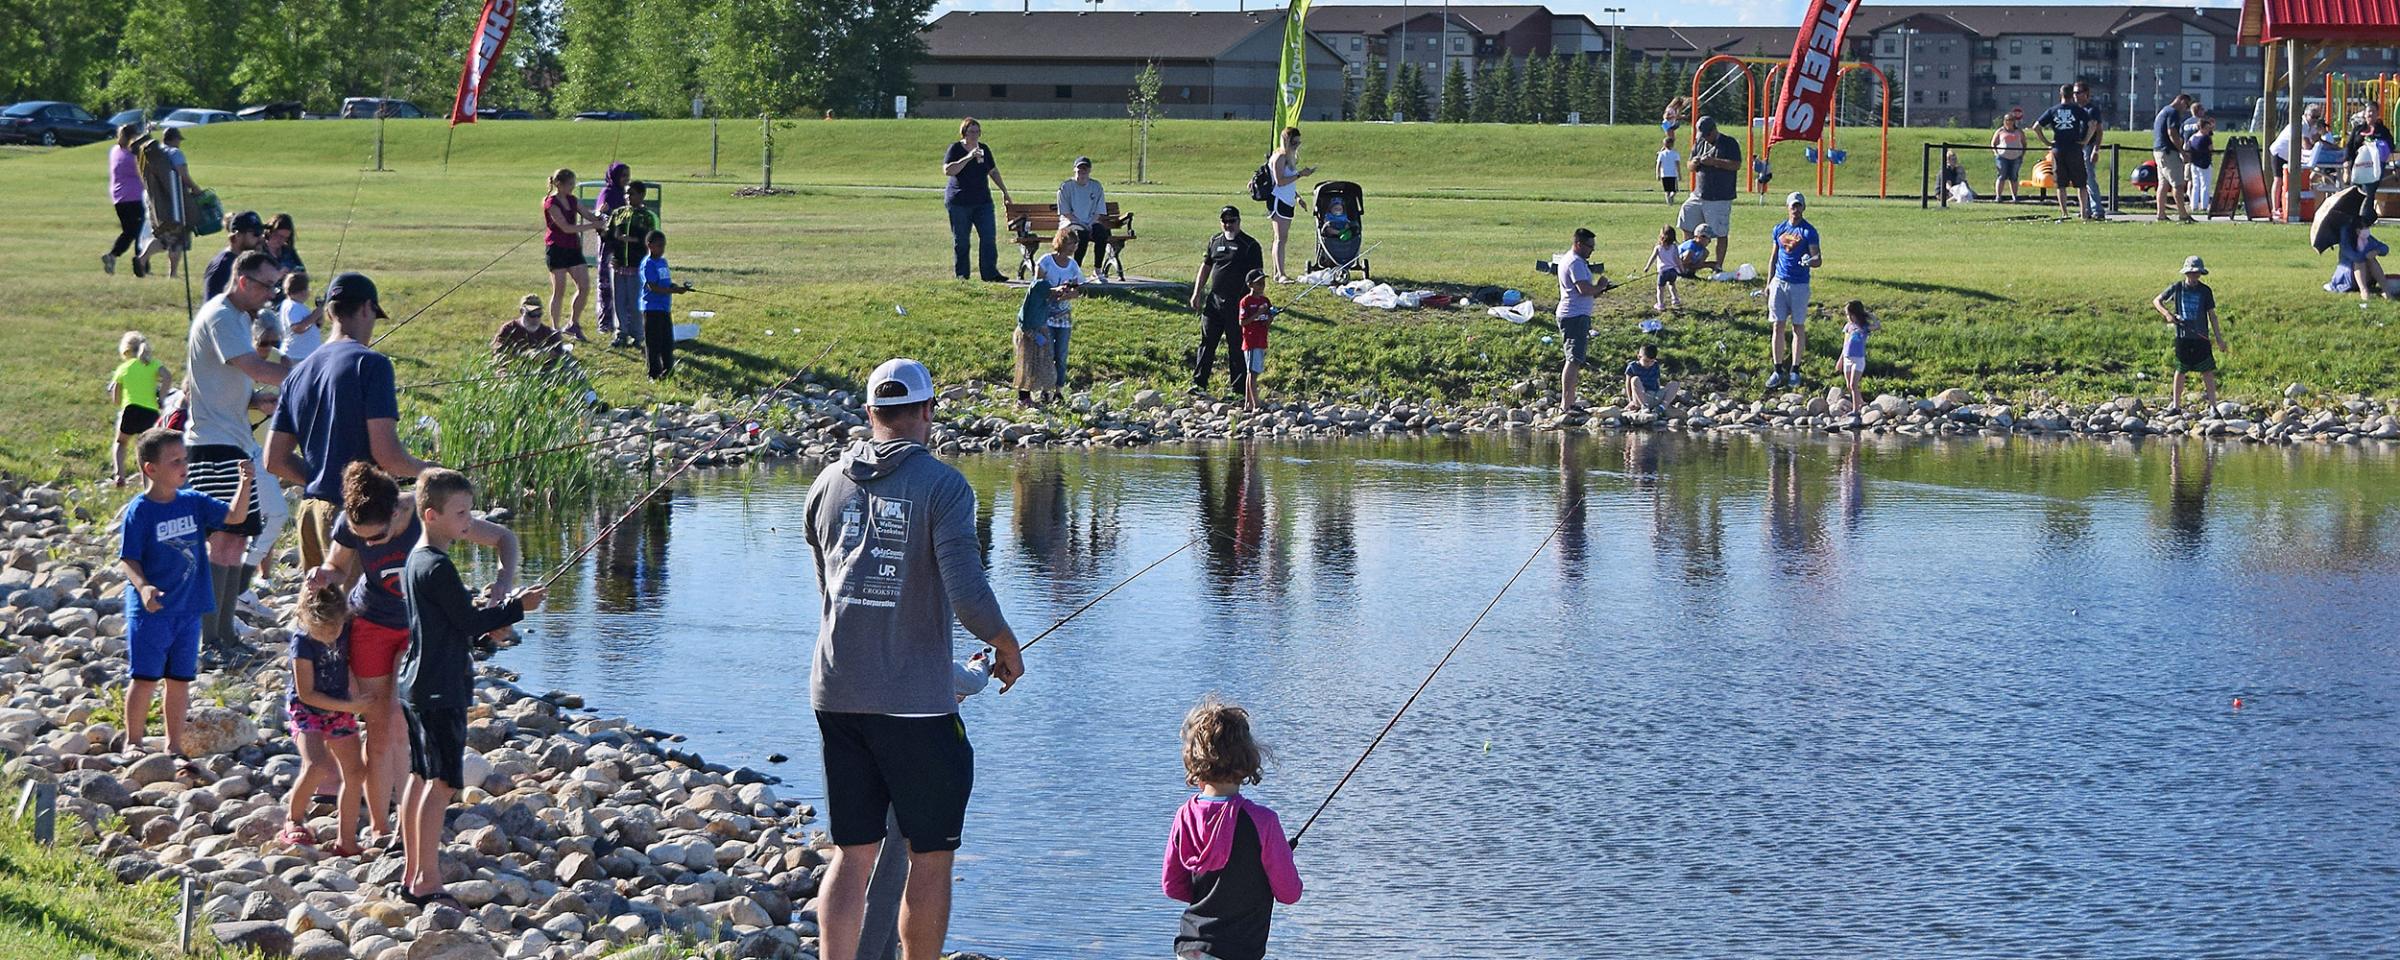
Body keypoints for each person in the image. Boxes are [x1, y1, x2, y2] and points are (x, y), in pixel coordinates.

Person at [804, 358, 1025, 960]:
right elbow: (969, 598)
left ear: (871, 413)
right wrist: (1006, 647)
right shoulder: (945, 486)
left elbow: (827, 587)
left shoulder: (825, 484)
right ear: (927, 412)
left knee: (852, 852)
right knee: (930, 857)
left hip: (836, 692)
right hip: (914, 710)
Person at [308, 461, 516, 850]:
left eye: (379, 537)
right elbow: (337, 566)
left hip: (418, 628)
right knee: (380, 728)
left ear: (399, 512)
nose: (370, 544)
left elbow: (505, 539)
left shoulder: (427, 517)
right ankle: (378, 825)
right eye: (362, 538)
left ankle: (408, 819)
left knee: (405, 729)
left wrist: (501, 590)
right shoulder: (350, 522)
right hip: (370, 623)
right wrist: (324, 575)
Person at [396, 469, 543, 904]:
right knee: (441, 784)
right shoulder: (438, 567)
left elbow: (454, 625)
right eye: (460, 513)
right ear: (430, 514)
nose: (468, 520)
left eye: (469, 511)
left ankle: (411, 872)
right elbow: (467, 620)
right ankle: (425, 880)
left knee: (420, 777)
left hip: (417, 683)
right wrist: (517, 608)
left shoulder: (416, 558)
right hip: (441, 687)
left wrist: (486, 631)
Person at [267, 271, 432, 578]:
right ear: (368, 308)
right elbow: (387, 456)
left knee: (324, 620)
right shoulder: (372, 364)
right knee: (359, 618)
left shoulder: (297, 375)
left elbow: (274, 459)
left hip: (310, 512)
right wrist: (431, 472)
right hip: (356, 516)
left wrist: (319, 478)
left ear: (329, 312)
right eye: (374, 315)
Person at [117, 429, 251, 760]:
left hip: (189, 609)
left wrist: (245, 484)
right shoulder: (140, 511)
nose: (184, 465)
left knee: (179, 682)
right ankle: (132, 741)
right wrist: (143, 586)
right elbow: (127, 558)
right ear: (151, 469)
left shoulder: (192, 501)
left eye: (184, 458)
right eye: (174, 461)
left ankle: (173, 745)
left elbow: (235, 517)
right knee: (145, 678)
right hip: (152, 611)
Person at [855, 652, 996, 960]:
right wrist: (982, 666)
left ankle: (880, 953)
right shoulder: (914, 636)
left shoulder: (864, 646)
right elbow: (967, 680)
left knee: (880, 866)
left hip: (864, 747)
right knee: (894, 873)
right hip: (912, 761)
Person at [186, 249, 289, 656]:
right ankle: (212, 639)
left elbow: (230, 382)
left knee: (233, 543)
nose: (271, 295)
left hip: (232, 442)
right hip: (213, 446)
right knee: (223, 543)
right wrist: (312, 374)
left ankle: (224, 633)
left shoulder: (236, 318)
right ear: (243, 281)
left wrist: (258, 401)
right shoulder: (222, 316)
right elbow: (257, 366)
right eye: (266, 286)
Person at [1162, 696, 1302, 960]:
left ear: (1195, 761)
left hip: (1190, 948)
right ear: (1246, 760)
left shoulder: (1184, 816)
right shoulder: (1263, 821)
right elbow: (1289, 893)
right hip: (1237, 951)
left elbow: (1173, 886)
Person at [281, 585, 366, 854]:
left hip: (339, 705)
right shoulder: (302, 642)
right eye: (322, 632)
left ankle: (346, 839)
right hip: (308, 710)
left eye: (334, 630)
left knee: (355, 772)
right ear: (306, 621)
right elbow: (307, 693)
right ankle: (293, 820)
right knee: (316, 764)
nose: (329, 637)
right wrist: (351, 705)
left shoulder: (348, 627)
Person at [1190, 206, 1262, 398]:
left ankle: (1238, 390)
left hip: (1237, 304)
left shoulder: (1250, 245)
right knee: (1206, 344)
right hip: (1214, 302)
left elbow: (1258, 278)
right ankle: (1199, 384)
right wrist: (1197, 293)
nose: (1228, 225)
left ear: (1239, 221)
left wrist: (1254, 303)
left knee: (1236, 346)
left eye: (1232, 221)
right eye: (1225, 221)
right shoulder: (1214, 241)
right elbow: (1205, 267)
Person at [941, 118, 1012, 282]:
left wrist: (1004, 192)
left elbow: (993, 171)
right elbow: (948, 170)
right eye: (971, 131)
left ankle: (990, 274)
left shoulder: (984, 149)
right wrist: (968, 157)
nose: (975, 135)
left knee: (988, 237)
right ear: (964, 132)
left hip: (983, 202)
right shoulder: (955, 148)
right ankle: (962, 276)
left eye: (977, 132)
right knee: (962, 241)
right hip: (959, 202)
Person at [1765, 192, 1822, 389]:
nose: (1796, 210)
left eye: (1799, 206)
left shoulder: (1809, 232)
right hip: (1779, 282)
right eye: (1793, 206)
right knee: (1777, 325)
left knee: (1798, 326)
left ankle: (1795, 369)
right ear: (1787, 207)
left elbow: (1818, 259)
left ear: (1803, 208)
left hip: (1799, 284)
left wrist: (1809, 260)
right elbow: (1774, 257)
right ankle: (1777, 368)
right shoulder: (1779, 229)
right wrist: (1769, 282)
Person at [2154, 256, 2226, 411]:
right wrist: (2167, 314)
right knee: (2180, 370)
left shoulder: (2205, 291)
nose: (2194, 276)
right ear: (2186, 273)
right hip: (2183, 337)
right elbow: (2157, 301)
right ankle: (2176, 406)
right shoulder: (2177, 288)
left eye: (2197, 273)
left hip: (2201, 337)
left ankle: (2213, 407)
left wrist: (2219, 339)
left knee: (2207, 371)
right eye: (2191, 273)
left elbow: (2212, 315)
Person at [542, 168, 604, 341]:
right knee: (559, 291)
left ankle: (573, 324)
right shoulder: (551, 203)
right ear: (559, 184)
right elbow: (566, 228)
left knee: (584, 286)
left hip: (573, 249)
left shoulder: (573, 200)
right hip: (557, 249)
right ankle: (554, 329)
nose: (573, 186)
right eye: (570, 184)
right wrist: (593, 227)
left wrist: (600, 217)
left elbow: (588, 215)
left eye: (574, 183)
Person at [602, 178, 657, 349]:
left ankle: (639, 335)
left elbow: (654, 239)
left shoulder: (648, 217)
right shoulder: (618, 214)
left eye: (631, 193)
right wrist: (600, 222)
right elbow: (608, 236)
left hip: (637, 266)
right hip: (619, 266)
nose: (627, 196)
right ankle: (621, 333)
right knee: (619, 301)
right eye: (626, 193)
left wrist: (633, 239)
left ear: (641, 195)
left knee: (635, 303)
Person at [1680, 116, 1741, 269]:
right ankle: (1688, 261)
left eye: (1707, 135)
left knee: (1720, 232)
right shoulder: (1700, 142)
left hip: (1719, 197)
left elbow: (1736, 165)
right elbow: (1689, 164)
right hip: (1698, 193)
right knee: (1686, 218)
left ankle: (1718, 265)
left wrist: (1714, 162)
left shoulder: (1729, 143)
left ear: (1714, 130)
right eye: (1702, 135)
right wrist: (1694, 163)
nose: (1705, 138)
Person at [108, 331, 167, 486]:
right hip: (151, 411)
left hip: (130, 408)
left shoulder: (123, 368)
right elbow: (167, 376)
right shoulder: (153, 364)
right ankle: (147, 481)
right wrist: (161, 397)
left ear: (125, 350)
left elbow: (115, 394)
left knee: (121, 442)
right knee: (146, 448)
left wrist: (118, 402)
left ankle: (119, 475)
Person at [1555, 227, 1602, 413]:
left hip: (1575, 314)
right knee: (1573, 359)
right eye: (1590, 246)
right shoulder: (1575, 262)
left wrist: (1597, 290)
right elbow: (1583, 289)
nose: (1592, 250)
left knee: (1574, 359)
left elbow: (1584, 292)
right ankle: (1566, 405)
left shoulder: (1575, 261)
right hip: (1573, 316)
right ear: (1578, 244)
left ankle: (1569, 403)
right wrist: (1600, 286)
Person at [139, 127, 195, 279]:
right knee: (179, 237)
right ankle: (173, 273)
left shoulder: (156, 154)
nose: (179, 143)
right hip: (176, 200)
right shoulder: (175, 153)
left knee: (163, 237)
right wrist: (196, 189)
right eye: (179, 140)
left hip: (159, 202)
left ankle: (142, 258)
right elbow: (183, 175)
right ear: (174, 139)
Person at [1033, 226, 1081, 399]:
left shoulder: (1073, 266)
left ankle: (1059, 391)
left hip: (1064, 320)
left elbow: (1077, 291)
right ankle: (1046, 389)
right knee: (1048, 354)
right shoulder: (1045, 261)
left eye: (1075, 244)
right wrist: (1054, 292)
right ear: (1061, 242)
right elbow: (1037, 288)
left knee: (1061, 356)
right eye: (1070, 243)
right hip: (1046, 318)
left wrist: (1068, 293)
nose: (1073, 247)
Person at [639, 230, 694, 380]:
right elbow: (653, 287)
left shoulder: (663, 262)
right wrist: (673, 291)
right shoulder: (648, 264)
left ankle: (668, 372)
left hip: (664, 308)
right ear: (649, 245)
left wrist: (675, 287)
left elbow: (666, 282)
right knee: (653, 344)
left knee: (667, 343)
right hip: (651, 309)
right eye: (659, 246)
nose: (662, 249)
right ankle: (653, 374)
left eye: (663, 246)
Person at [1264, 127, 1315, 283]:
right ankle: (1280, 274)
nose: (1297, 145)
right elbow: (1280, 182)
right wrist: (1300, 175)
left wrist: (1298, 197)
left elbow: (1288, 184)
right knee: (1280, 238)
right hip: (1279, 201)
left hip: (1287, 200)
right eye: (1294, 142)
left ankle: (1278, 273)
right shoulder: (1279, 157)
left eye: (1299, 142)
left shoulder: (1289, 157)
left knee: (1281, 238)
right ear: (1287, 141)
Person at [2032, 84, 2091, 221]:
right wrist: (2085, 140)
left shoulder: (2052, 110)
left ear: (2061, 94)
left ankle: (2064, 213)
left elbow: (2036, 127)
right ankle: (2083, 213)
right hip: (2074, 148)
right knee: (2081, 183)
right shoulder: (2077, 110)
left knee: (2060, 183)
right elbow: (2092, 124)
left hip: (2058, 149)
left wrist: (2046, 142)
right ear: (2072, 95)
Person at [594, 163, 631, 339]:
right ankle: (605, 322)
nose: (626, 179)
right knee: (606, 285)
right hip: (609, 245)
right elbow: (601, 214)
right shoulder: (607, 193)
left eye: (628, 175)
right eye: (623, 175)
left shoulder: (625, 195)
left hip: (624, 246)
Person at [104, 124, 147, 276]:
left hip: (118, 197)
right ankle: (142, 264)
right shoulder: (132, 157)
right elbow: (144, 170)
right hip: (134, 196)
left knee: (129, 231)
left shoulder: (115, 151)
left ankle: (113, 255)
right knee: (141, 231)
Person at [1056, 157, 1111, 274]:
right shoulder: (1066, 187)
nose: (1082, 172)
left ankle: (1097, 270)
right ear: (1074, 170)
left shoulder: (1096, 186)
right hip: (1070, 223)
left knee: (1102, 234)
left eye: (1085, 169)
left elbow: (1098, 211)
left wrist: (1089, 224)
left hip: (1091, 222)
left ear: (1089, 170)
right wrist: (1081, 224)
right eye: (1079, 169)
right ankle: (1075, 271)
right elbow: (1066, 213)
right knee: (1083, 236)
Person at [203, 211, 266, 301]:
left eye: (261, 232)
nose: (261, 238)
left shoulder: (248, 261)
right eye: (256, 233)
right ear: (238, 236)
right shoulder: (222, 266)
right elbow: (212, 306)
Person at [2152, 93, 2194, 223]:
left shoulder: (2163, 111)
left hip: (2159, 150)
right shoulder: (2173, 112)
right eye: (2186, 106)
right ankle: (2183, 214)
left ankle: (2161, 214)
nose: (2185, 110)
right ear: (2181, 101)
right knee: (2178, 184)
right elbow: (2172, 132)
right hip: (2168, 151)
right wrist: (2181, 151)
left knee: (2163, 184)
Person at [1836, 299, 1879, 415]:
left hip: (1858, 359)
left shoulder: (1864, 327)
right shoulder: (1848, 327)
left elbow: (1877, 325)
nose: (1849, 317)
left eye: (1850, 315)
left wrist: (1870, 315)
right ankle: (1861, 403)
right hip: (1847, 358)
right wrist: (1840, 360)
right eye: (1847, 315)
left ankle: (1856, 410)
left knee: (1853, 385)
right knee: (1849, 385)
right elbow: (1845, 343)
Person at [1238, 270, 1273, 412]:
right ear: (1250, 284)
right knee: (1252, 373)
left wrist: (1270, 316)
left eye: (1263, 282)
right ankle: (1255, 404)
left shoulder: (1265, 301)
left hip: (1261, 340)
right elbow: (1243, 322)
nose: (1262, 285)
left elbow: (1267, 322)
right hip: (1251, 342)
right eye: (1258, 283)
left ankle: (1249, 403)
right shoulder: (1246, 301)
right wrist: (1258, 313)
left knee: (1253, 373)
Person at [2335, 217, 2392, 303]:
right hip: (2349, 278)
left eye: (2367, 227)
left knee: (2371, 260)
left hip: (2368, 277)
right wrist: (2366, 254)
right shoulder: (2346, 243)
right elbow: (2355, 257)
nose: (2366, 230)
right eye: (2363, 228)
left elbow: (2385, 248)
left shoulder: (2368, 239)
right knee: (2360, 261)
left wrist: (2376, 251)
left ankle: (2385, 290)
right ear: (2356, 230)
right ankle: (2364, 290)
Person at [492, 294, 566, 357]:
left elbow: (559, 353)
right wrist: (525, 355)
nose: (536, 318)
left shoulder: (549, 333)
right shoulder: (509, 329)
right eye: (532, 314)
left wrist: (544, 355)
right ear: (522, 311)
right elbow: (498, 352)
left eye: (539, 314)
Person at [2075, 82, 2107, 220]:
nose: (2075, 95)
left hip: (2088, 147)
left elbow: (2099, 131)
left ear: (2086, 94)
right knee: (2081, 180)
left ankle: (2097, 210)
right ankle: (2085, 209)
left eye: (2078, 92)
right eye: (2074, 93)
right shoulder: (2075, 110)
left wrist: (2096, 150)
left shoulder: (2092, 110)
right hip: (2076, 148)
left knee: (2089, 179)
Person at [1624, 343, 1680, 416]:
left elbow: (1657, 380)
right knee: (1635, 379)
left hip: (1655, 396)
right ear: (1639, 356)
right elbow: (1628, 384)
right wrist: (1630, 400)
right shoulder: (1632, 366)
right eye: (1646, 361)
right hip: (1642, 397)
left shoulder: (1655, 365)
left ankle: (1662, 407)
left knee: (1674, 384)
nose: (1649, 364)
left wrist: (1659, 392)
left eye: (1652, 361)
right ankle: (1644, 407)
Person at [278, 272, 322, 362]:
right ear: (302, 291)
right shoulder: (292, 306)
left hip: (306, 355)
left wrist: (320, 311)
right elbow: (297, 328)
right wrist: (314, 315)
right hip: (297, 356)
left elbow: (318, 325)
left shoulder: (299, 306)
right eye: (307, 288)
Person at [2186, 114, 2217, 217]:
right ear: (2202, 128)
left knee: (2195, 185)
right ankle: (2204, 206)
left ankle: (2193, 205)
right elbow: (2211, 149)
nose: (2209, 130)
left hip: (2194, 164)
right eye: (2207, 128)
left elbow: (2187, 147)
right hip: (2205, 164)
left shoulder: (2192, 137)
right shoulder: (2206, 138)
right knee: (2205, 185)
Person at [1990, 112, 2026, 202]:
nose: (2009, 122)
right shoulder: (2000, 131)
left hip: (2016, 157)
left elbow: (2024, 143)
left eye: (2011, 120)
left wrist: (2022, 154)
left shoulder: (2019, 132)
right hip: (2002, 157)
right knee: (2002, 176)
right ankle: (1998, 196)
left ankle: (2014, 197)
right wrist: (1996, 153)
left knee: (2014, 177)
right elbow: (1993, 143)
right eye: (2007, 120)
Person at [1646, 224, 1682, 311]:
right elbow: (1677, 259)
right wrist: (1681, 268)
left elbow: (1652, 258)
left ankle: (1660, 304)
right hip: (1673, 271)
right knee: (1672, 285)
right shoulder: (1674, 247)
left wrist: (1647, 267)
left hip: (1663, 272)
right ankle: (1675, 299)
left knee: (1660, 289)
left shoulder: (1658, 247)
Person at [1655, 135, 1681, 203]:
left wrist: (1658, 174)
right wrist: (1679, 174)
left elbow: (1658, 164)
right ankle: (1671, 198)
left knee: (1667, 191)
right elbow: (1677, 164)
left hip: (1664, 174)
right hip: (1673, 174)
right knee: (1674, 190)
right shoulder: (1675, 153)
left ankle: (1669, 202)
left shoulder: (1661, 154)